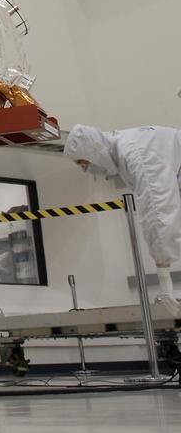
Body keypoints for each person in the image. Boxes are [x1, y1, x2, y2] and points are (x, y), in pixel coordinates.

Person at [64, 124, 181, 317]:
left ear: (93, 151)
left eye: (83, 162)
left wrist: (164, 277)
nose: (86, 169)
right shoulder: (125, 147)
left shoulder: (136, 155)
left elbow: (158, 213)